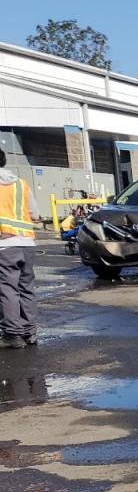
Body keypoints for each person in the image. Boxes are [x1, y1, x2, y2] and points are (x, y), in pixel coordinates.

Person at [0, 149, 38, 348]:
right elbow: (35, 213)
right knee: (26, 288)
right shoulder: (21, 184)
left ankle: (12, 335)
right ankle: (29, 332)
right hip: (26, 243)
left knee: (8, 290)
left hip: (5, 245)